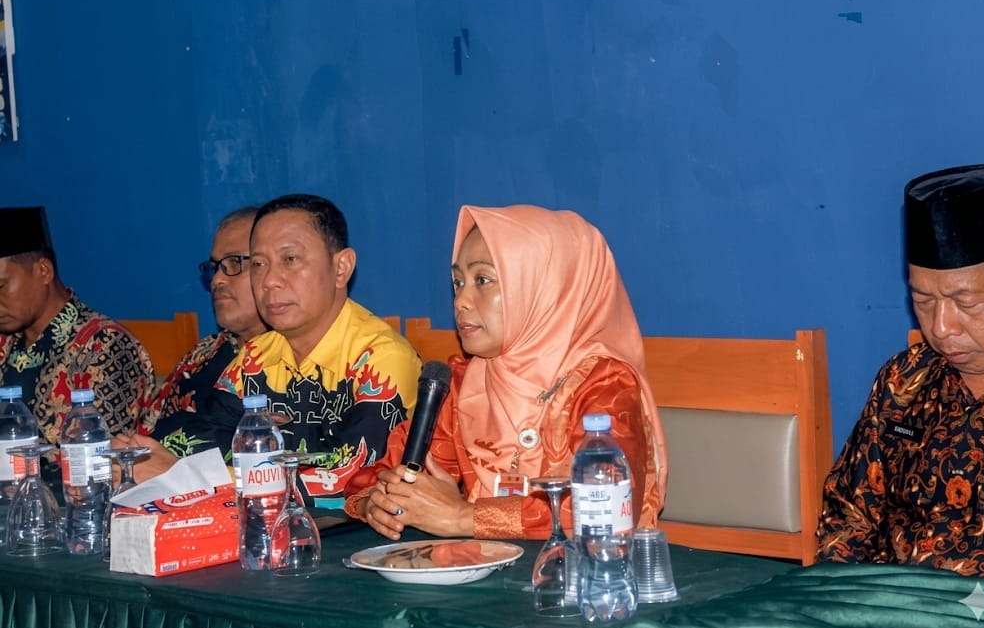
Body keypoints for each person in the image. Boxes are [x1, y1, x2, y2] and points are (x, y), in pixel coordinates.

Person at [343, 204, 668, 540]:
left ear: (546, 287)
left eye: (483, 280)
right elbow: (379, 473)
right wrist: (375, 502)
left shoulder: (603, 384)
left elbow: (604, 505)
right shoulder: (464, 384)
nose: (461, 301)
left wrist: (464, 517)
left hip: (586, 569)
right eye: (458, 282)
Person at [817, 162, 984, 579]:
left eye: (966, 303)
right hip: (891, 606)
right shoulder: (905, 382)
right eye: (924, 302)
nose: (941, 328)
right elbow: (849, 519)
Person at [207, 194, 422, 503]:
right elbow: (198, 440)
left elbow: (352, 476)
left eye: (290, 259)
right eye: (258, 264)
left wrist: (215, 478)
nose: (269, 280)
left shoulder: (381, 358)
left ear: (341, 268)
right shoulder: (255, 357)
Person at [114, 206, 269, 481]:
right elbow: (146, 433)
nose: (217, 280)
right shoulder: (205, 352)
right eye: (215, 267)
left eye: (234, 263)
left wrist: (177, 475)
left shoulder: (293, 362)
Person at [0, 206, 155, 445]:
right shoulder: (5, 343)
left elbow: (100, 454)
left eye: (1, 286)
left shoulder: (105, 346)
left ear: (44, 271)